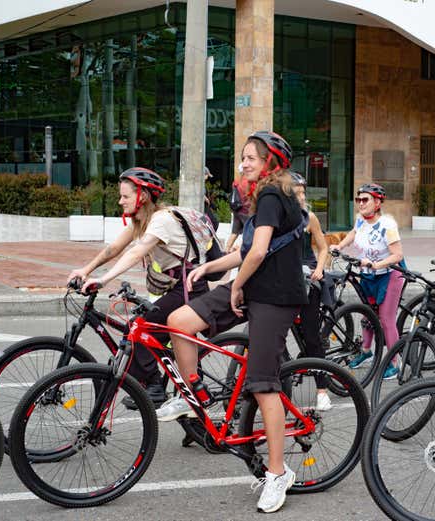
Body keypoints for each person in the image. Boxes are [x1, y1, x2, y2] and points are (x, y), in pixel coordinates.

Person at [162, 131, 306, 513]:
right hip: (251, 285)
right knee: (179, 321)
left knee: (262, 384)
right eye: (243, 158)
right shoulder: (262, 197)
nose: (243, 164)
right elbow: (246, 250)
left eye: (251, 158)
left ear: (271, 163)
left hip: (274, 298)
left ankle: (278, 473)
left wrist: (236, 286)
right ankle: (195, 396)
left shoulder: (275, 194)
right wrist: (210, 266)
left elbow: (257, 253)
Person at [68, 167, 210, 408]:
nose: (120, 200)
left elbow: (136, 252)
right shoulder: (141, 221)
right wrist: (86, 270)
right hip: (175, 287)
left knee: (139, 328)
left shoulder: (162, 220)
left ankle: (154, 387)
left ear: (142, 196)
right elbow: (114, 249)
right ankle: (182, 394)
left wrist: (103, 280)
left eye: (125, 196)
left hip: (189, 289)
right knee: (145, 330)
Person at [330, 183, 404, 380]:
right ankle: (366, 351)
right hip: (368, 274)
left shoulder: (387, 225)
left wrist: (376, 264)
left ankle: (395, 363)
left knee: (386, 319)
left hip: (390, 274)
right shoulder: (361, 220)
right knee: (367, 315)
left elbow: (398, 255)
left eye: (365, 200)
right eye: (358, 199)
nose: (360, 203)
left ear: (377, 202)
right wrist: (340, 245)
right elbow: (353, 233)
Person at [291, 171, 332, 410]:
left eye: (303, 192)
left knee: (311, 335)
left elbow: (324, 248)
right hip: (285, 280)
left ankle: (322, 390)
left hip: (307, 278)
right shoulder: (278, 218)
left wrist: (318, 268)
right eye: (296, 193)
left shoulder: (310, 218)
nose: (301, 197)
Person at [225, 163, 252, 252]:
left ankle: (226, 249)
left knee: (234, 232)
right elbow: (249, 197)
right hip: (246, 211)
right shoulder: (247, 182)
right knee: (249, 233)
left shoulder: (236, 182)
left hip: (237, 210)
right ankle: (239, 249)